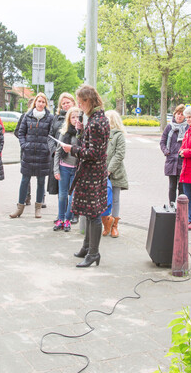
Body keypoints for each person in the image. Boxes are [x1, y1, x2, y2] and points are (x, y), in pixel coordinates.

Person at [61, 84, 110, 268]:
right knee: (91, 213)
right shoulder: (97, 118)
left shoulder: (97, 122)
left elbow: (93, 153)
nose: (79, 106)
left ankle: (93, 253)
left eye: (80, 102)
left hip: (92, 173)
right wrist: (81, 130)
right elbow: (91, 145)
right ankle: (87, 247)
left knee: (93, 213)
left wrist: (71, 149)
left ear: (88, 101)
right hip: (93, 172)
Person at [10, 92, 53, 219]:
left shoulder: (50, 117)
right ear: (35, 102)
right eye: (39, 101)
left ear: (46, 104)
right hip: (28, 154)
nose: (40, 104)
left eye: (43, 102)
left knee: (41, 181)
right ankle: (19, 208)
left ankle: (38, 208)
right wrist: (25, 145)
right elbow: (21, 132)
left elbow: (52, 135)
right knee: (24, 181)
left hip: (43, 155)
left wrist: (47, 148)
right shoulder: (27, 116)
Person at [53, 106, 80, 232]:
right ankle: (60, 219)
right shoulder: (64, 133)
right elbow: (57, 152)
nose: (75, 120)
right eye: (72, 117)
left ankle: (68, 220)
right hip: (64, 168)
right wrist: (56, 170)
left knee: (73, 197)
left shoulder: (82, 134)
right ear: (69, 119)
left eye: (77, 117)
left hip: (76, 170)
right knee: (62, 195)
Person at [104, 110, 129, 238]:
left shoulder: (119, 135)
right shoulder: (101, 134)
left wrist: (109, 169)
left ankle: (114, 226)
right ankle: (106, 224)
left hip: (116, 173)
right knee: (103, 199)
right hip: (101, 172)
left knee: (115, 199)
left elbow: (119, 154)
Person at [47, 93, 77, 198]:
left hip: (73, 158)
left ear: (73, 102)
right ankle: (62, 213)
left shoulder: (77, 116)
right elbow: (50, 136)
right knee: (61, 190)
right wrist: (54, 150)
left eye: (68, 102)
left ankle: (71, 213)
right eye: (63, 103)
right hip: (59, 156)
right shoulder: (57, 118)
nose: (65, 105)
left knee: (73, 189)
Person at [160, 104, 187, 204]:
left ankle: (181, 207)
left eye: (182, 114)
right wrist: (166, 151)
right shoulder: (169, 127)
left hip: (183, 161)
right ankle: (171, 204)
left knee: (182, 187)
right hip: (171, 161)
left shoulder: (188, 128)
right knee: (172, 186)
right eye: (177, 114)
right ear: (174, 114)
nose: (179, 116)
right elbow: (162, 141)